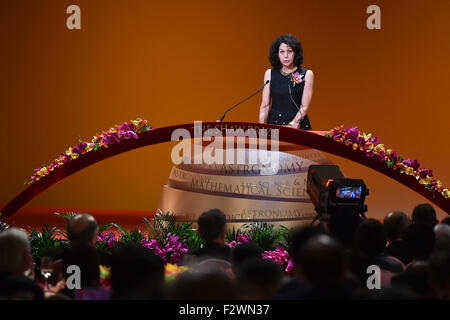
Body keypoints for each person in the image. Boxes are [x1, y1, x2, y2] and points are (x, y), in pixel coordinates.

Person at [259, 34, 314, 129]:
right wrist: (261, 125)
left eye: (289, 51)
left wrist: (291, 124)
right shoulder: (270, 73)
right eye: (282, 52)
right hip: (274, 124)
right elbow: (265, 105)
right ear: (277, 54)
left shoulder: (307, 74)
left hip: (297, 125)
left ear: (295, 53)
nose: (286, 56)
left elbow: (304, 107)